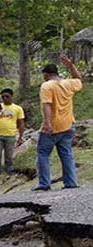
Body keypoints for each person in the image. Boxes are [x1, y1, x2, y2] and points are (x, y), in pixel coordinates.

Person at [33, 53, 82, 191]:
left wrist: (47, 124)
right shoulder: (68, 83)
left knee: (42, 153)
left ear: (46, 74)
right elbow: (78, 79)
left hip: (53, 126)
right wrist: (71, 66)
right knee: (66, 153)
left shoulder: (47, 86)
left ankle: (44, 184)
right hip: (68, 125)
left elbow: (46, 105)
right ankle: (71, 182)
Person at [0, 88, 25, 176]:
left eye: (7, 96)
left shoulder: (17, 109)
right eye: (3, 97)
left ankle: (8, 171)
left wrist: (20, 137)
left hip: (11, 135)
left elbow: (21, 124)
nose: (5, 98)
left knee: (9, 156)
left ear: (12, 97)